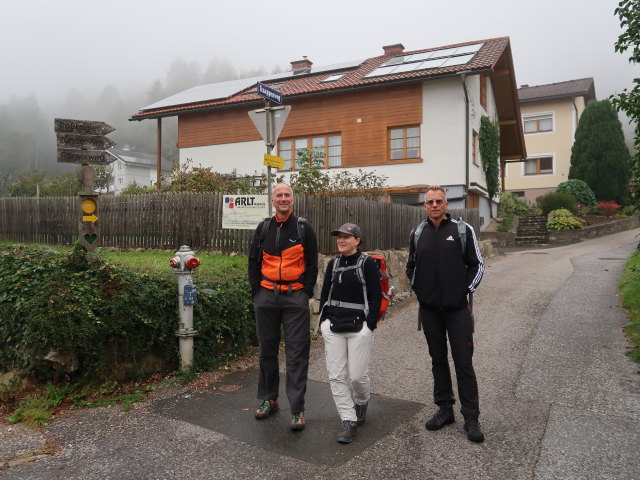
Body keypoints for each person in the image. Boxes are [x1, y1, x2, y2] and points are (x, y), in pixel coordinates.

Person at [406, 185, 485, 443]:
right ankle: (445, 409)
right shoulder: (418, 233)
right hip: (429, 312)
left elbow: (477, 265)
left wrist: (463, 290)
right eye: (430, 202)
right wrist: (421, 292)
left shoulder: (462, 231)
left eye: (439, 201)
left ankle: (471, 417)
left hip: (458, 310)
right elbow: (411, 267)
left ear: (446, 204)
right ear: (424, 206)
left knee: (464, 362)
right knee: (437, 360)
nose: (435, 205)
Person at [248, 183, 318, 431]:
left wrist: (306, 292)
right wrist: (257, 292)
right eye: (279, 195)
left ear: (293, 200)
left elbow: (312, 263)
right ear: (272, 200)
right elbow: (253, 261)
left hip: (294, 297)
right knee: (267, 350)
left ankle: (297, 409)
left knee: (297, 353)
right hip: (266, 296)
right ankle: (269, 399)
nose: (283, 199)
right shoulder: (263, 227)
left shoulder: (303, 227)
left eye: (287, 195)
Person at [319, 223, 382, 444]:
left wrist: (370, 325)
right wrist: (323, 322)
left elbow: (376, 296)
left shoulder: (368, 264)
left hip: (359, 328)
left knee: (356, 376)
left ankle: (362, 401)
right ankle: (348, 419)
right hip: (334, 326)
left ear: (358, 240)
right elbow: (325, 294)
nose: (341, 240)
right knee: (336, 375)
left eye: (347, 237)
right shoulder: (333, 264)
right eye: (339, 237)